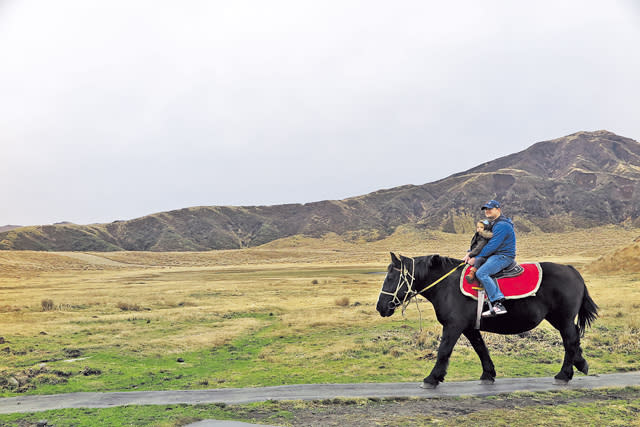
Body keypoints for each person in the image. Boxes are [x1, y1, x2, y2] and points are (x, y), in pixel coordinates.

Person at [462, 199, 516, 317]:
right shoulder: (493, 224)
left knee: (481, 273)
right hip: (494, 255)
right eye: (486, 209)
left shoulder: (502, 225)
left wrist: (476, 257)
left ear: (498, 210)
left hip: (503, 256)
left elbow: (492, 245)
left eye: (490, 209)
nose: (487, 211)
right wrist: (470, 252)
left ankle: (498, 303)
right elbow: (483, 242)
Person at [464, 220, 493, 284]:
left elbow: (479, 248)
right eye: (478, 227)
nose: (479, 229)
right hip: (477, 253)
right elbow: (474, 246)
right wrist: (469, 252)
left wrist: (471, 255)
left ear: (486, 228)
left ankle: (472, 274)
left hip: (484, 255)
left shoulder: (484, 237)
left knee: (479, 260)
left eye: (481, 227)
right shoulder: (477, 235)